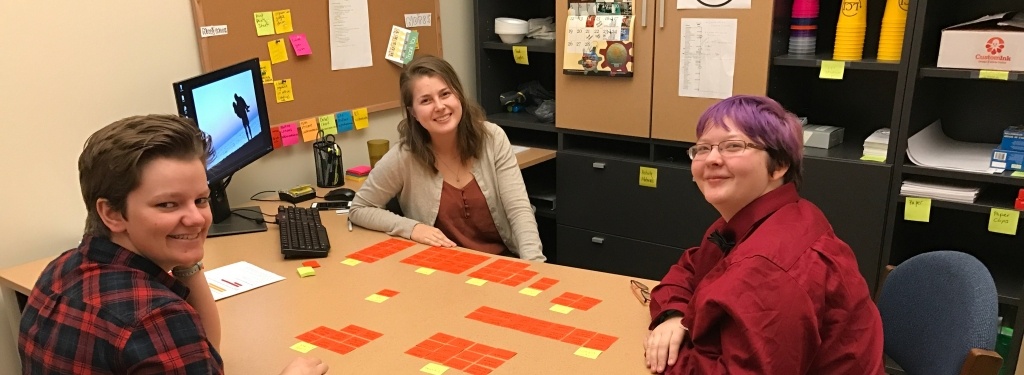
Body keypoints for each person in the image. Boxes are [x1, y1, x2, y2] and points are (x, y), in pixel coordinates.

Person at [19, 115, 328, 375]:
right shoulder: (156, 318)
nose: (196, 218)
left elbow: (208, 355)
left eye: (201, 200)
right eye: (168, 204)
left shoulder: (59, 269)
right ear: (112, 213)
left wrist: (187, 258)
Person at [643, 96, 884, 374]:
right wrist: (674, 316)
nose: (711, 159)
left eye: (733, 146)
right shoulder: (765, 218)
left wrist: (666, 355)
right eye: (702, 148)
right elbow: (690, 270)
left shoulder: (771, 266)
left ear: (779, 165)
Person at [349, 55, 545, 262]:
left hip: (501, 263)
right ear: (413, 112)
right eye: (426, 100)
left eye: (445, 94)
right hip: (441, 270)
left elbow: (519, 209)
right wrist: (412, 228)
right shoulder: (404, 156)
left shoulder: (492, 138)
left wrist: (534, 265)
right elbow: (360, 208)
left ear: (458, 95)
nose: (439, 106)